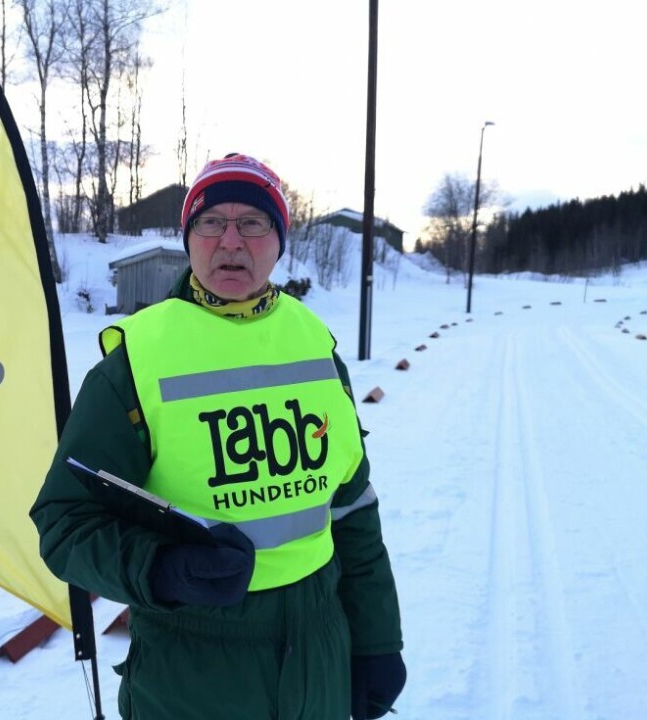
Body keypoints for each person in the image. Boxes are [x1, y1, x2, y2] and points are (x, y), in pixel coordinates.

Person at [30, 153, 405, 720]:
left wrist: (378, 640)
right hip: (191, 673)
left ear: (279, 240)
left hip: (318, 659)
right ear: (189, 238)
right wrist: (161, 568)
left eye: (253, 223)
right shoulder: (137, 359)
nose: (231, 241)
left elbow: (352, 508)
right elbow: (65, 522)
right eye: (211, 222)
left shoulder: (314, 344)